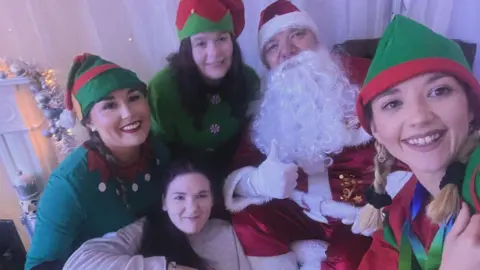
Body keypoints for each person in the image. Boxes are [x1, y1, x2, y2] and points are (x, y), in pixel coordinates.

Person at [222, 1, 413, 269]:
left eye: (297, 35)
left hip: (360, 213)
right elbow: (242, 165)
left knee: (350, 259)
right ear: (266, 61)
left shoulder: (364, 76)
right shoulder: (267, 101)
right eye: (272, 46)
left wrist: (385, 200)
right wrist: (257, 182)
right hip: (301, 210)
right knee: (250, 221)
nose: (287, 51)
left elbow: (411, 135)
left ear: (317, 38)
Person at [355, 15, 480, 270]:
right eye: (393, 103)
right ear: (375, 130)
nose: (420, 117)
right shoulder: (400, 215)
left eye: (439, 91)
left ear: (470, 108)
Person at [25, 54, 169, 270]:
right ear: (89, 122)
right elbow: (38, 266)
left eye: (134, 98)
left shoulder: (157, 151)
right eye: (110, 106)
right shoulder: (69, 184)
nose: (128, 113)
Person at [64, 160, 312, 270]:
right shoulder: (143, 231)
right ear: (164, 202)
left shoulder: (228, 233)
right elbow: (79, 264)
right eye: (179, 197)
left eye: (201, 196)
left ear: (213, 199)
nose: (192, 208)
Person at [148, 0, 259, 193]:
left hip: (238, 171)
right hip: (183, 179)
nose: (214, 53)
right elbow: (160, 151)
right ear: (187, 49)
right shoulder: (162, 90)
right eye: (201, 43)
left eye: (221, 39)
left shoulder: (248, 79)